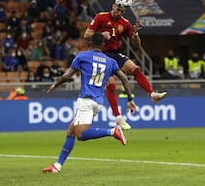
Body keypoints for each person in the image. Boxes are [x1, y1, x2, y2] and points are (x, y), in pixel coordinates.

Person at [42, 32, 136, 173]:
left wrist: (55, 85)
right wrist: (130, 99)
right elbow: (124, 78)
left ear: (90, 43)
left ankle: (112, 131)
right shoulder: (110, 61)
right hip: (98, 102)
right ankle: (57, 166)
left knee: (80, 134)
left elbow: (68, 75)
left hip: (86, 100)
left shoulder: (82, 56)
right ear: (103, 45)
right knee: (72, 130)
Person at [83, 0, 167, 130]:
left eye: (123, 10)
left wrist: (135, 34)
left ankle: (152, 94)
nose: (120, 12)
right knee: (111, 84)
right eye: (118, 9)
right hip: (99, 54)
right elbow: (87, 35)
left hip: (114, 54)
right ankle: (118, 118)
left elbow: (137, 46)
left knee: (135, 68)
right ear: (113, 5)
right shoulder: (101, 17)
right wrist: (101, 35)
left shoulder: (125, 23)